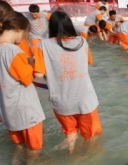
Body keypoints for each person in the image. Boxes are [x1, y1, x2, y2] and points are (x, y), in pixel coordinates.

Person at [34, 11, 101, 151]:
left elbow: (39, 74)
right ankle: (90, 160)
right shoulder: (81, 42)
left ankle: (70, 153)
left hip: (61, 101)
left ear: (51, 26)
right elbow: (89, 61)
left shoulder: (42, 45)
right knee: (91, 136)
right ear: (69, 25)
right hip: (85, 98)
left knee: (70, 133)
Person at [0, 11, 45, 151]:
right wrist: (35, 64)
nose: (24, 37)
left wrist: (26, 60)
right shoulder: (13, 50)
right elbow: (27, 79)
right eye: (25, 34)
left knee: (19, 147)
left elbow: (4, 70)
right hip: (24, 111)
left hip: (5, 109)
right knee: (35, 149)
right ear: (18, 29)